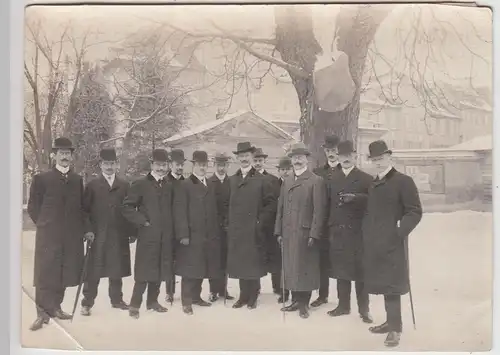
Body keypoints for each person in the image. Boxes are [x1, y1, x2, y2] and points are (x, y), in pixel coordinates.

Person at [27, 137, 93, 331]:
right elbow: (33, 207)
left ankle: (56, 307)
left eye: (68, 154)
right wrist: (44, 224)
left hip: (70, 236)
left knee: (64, 272)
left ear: (71, 157)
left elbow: (82, 208)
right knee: (45, 273)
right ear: (54, 155)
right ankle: (41, 314)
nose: (65, 157)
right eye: (61, 153)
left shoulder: (76, 180)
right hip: (49, 236)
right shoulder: (42, 178)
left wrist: (87, 229)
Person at [362, 140, 422, 347]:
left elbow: (414, 211)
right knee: (383, 283)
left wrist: (399, 231)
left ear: (389, 157)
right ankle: (390, 322)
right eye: (374, 160)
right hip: (375, 242)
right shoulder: (373, 182)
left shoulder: (403, 181)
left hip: (393, 242)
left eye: (381, 158)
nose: (377, 163)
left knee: (392, 284)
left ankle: (395, 329)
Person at [80, 148, 135, 316]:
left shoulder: (124, 185)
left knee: (116, 267)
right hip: (98, 235)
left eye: (112, 163)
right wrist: (88, 230)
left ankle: (117, 300)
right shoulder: (92, 185)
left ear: (116, 164)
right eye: (106, 163)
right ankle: (87, 302)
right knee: (94, 270)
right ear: (101, 165)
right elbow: (85, 211)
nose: (109, 167)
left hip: (118, 234)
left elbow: (130, 209)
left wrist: (132, 231)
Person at [275, 142, 326, 319]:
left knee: (305, 267)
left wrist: (314, 233)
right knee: (291, 267)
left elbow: (319, 211)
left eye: (301, 157)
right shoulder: (287, 181)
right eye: (295, 157)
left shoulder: (315, 180)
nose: (297, 160)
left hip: (305, 233)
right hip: (288, 232)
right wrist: (278, 231)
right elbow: (280, 208)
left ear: (307, 159)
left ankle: (304, 303)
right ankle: (295, 301)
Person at [122, 149, 174, 319]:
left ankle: (152, 302)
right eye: (158, 164)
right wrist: (142, 221)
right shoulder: (140, 184)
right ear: (152, 165)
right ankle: (135, 305)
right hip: (148, 236)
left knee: (159, 269)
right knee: (144, 271)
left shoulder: (169, 185)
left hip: (164, 236)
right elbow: (127, 207)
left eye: (164, 165)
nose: (161, 168)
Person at [325, 140, 373, 323]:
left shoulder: (366, 179)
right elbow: (326, 204)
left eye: (349, 156)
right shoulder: (331, 178)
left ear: (355, 157)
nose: (345, 159)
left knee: (360, 273)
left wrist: (357, 198)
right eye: (342, 156)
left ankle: (364, 309)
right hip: (337, 232)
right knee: (341, 270)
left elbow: (373, 202)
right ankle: (343, 305)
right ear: (338, 157)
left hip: (358, 234)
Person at [226, 142, 276, 310]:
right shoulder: (232, 180)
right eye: (241, 156)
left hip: (254, 230)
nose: (244, 159)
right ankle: (243, 296)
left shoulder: (262, 180)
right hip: (237, 230)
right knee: (241, 263)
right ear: (237, 158)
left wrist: (260, 222)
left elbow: (271, 204)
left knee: (253, 263)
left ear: (252, 157)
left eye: (247, 156)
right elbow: (225, 204)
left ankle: (253, 296)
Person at [174, 151, 222, 315]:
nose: (202, 167)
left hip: (208, 235)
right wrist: (183, 235)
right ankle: (186, 301)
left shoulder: (209, 184)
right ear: (193, 165)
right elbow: (180, 211)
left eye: (204, 165)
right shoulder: (185, 185)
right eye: (199, 164)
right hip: (192, 235)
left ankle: (196, 297)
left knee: (202, 266)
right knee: (189, 268)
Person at [311, 134, 341, 308]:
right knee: (322, 260)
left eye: (334, 150)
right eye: (328, 150)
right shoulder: (318, 173)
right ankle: (323, 295)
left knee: (339, 260)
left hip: (339, 223)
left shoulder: (344, 170)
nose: (331, 153)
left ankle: (342, 299)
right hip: (322, 223)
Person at [252, 148, 281, 298]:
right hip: (252, 225)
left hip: (269, 225)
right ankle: (255, 288)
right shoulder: (247, 178)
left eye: (260, 161)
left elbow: (275, 202)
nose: (257, 163)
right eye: (255, 161)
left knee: (274, 255)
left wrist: (266, 218)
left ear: (264, 161)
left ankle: (277, 286)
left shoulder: (273, 180)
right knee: (255, 255)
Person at [208, 152, 234, 302]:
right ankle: (213, 290)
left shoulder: (231, 182)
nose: (221, 168)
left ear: (227, 166)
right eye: (219, 165)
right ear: (214, 166)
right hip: (213, 228)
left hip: (227, 228)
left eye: (224, 165)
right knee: (214, 259)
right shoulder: (209, 182)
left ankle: (223, 289)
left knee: (225, 259)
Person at [164, 148, 186, 304]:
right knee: (169, 261)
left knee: (185, 260)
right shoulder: (165, 182)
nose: (179, 167)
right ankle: (169, 292)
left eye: (181, 165)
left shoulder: (186, 182)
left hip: (184, 229)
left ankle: (187, 292)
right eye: (177, 164)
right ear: (170, 165)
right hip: (169, 229)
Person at [273, 157, 293, 303]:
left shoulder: (296, 183)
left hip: (293, 227)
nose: (285, 172)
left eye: (288, 169)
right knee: (279, 262)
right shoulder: (274, 184)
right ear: (278, 171)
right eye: (282, 170)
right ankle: (282, 290)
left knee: (292, 261)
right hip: (277, 227)